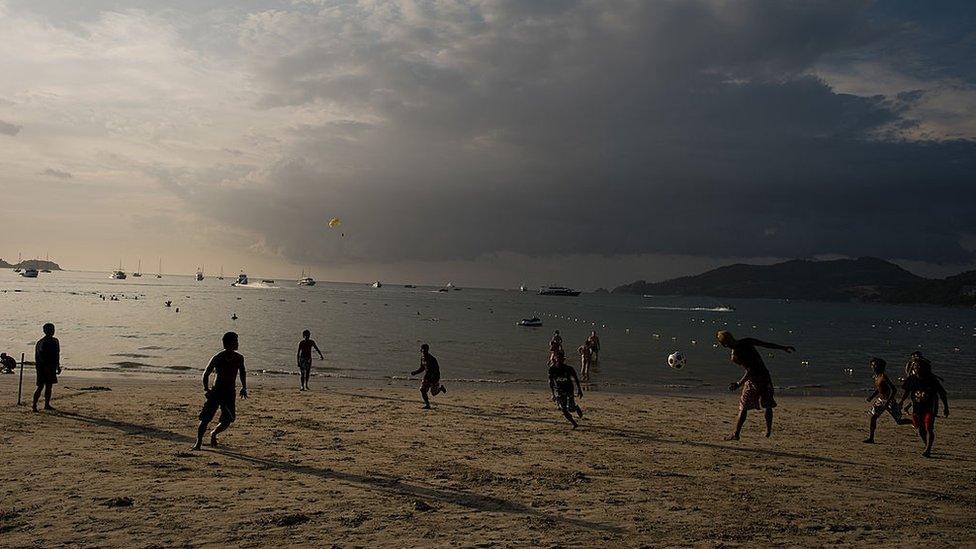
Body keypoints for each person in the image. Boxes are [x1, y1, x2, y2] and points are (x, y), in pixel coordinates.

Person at [717, 331, 795, 440]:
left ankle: (736, 434)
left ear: (723, 345)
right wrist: (782, 347)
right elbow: (765, 344)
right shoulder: (747, 341)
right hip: (765, 376)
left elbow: (750, 370)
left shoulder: (735, 356)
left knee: (743, 407)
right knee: (767, 404)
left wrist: (739, 383)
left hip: (754, 380)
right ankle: (768, 430)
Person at [193, 332, 248, 450]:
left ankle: (214, 433)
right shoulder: (218, 357)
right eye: (235, 341)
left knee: (229, 418)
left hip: (229, 392)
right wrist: (206, 389)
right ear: (228, 343)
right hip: (216, 392)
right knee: (205, 418)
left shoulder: (239, 358)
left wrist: (244, 387)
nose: (237, 343)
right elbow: (206, 374)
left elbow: (242, 372)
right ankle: (198, 442)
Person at [898, 357, 949, 457]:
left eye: (919, 366)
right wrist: (901, 402)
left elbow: (942, 394)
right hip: (916, 409)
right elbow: (907, 391)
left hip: (929, 408)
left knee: (929, 428)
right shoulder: (912, 379)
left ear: (925, 368)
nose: (917, 368)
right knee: (920, 429)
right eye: (916, 366)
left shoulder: (931, 380)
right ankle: (927, 445)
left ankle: (928, 449)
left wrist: (946, 407)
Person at [863, 357, 910, 443]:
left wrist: (888, 401)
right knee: (873, 417)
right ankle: (871, 438)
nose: (872, 367)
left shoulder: (883, 376)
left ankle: (914, 422)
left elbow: (894, 389)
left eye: (874, 365)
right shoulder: (876, 376)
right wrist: (872, 396)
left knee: (899, 421)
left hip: (889, 401)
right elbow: (879, 388)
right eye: (872, 365)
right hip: (880, 400)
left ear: (879, 367)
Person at [548, 351, 584, 428]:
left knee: (570, 408)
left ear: (563, 360)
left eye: (561, 359)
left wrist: (579, 390)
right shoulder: (552, 369)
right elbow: (550, 382)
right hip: (559, 390)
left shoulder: (569, 369)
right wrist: (553, 394)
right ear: (555, 359)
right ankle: (574, 423)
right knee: (563, 409)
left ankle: (576, 408)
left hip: (569, 389)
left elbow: (576, 379)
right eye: (558, 359)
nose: (559, 361)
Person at [32, 323, 61, 412]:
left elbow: (57, 355)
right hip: (42, 367)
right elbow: (40, 356)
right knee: (40, 386)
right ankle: (34, 405)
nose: (52, 331)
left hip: (51, 366)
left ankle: (47, 404)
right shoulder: (42, 342)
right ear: (45, 331)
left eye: (53, 329)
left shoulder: (55, 341)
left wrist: (57, 366)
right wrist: (45, 366)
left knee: (49, 386)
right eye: (50, 330)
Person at [411, 343, 446, 409]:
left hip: (434, 377)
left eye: (425, 349)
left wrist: (434, 378)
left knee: (434, 393)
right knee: (422, 390)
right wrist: (415, 372)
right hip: (426, 377)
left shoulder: (432, 359)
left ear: (428, 350)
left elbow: (436, 369)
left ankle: (441, 388)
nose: (424, 351)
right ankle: (427, 405)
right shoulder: (422, 358)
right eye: (422, 349)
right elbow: (422, 368)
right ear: (421, 350)